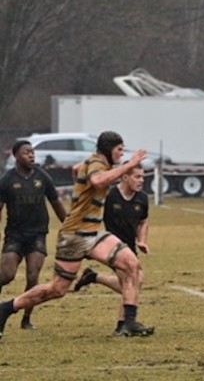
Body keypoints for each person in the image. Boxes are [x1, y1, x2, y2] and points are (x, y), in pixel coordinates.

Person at [0, 131, 154, 340]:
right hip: (74, 235)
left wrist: (81, 178)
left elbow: (78, 170)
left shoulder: (95, 163)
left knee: (131, 264)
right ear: (109, 149)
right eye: (119, 150)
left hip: (92, 233)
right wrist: (129, 165)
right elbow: (99, 181)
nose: (121, 154)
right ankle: (7, 308)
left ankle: (127, 322)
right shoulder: (98, 165)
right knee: (57, 289)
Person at [73, 163, 150, 336]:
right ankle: (123, 325)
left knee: (132, 283)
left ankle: (93, 277)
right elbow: (78, 170)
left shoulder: (142, 198)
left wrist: (142, 240)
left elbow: (143, 221)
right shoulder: (109, 194)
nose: (142, 180)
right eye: (137, 177)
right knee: (133, 281)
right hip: (110, 247)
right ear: (124, 177)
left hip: (129, 248)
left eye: (143, 177)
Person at [0, 141, 67, 330]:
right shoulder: (7, 180)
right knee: (6, 275)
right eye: (26, 152)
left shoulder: (42, 177)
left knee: (32, 276)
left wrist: (70, 226)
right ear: (16, 156)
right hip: (14, 234)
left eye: (32, 152)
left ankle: (26, 319)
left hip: (37, 234)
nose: (31, 155)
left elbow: (56, 204)